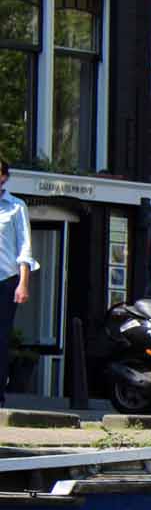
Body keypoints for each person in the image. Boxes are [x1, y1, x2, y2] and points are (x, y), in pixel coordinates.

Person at [0, 159, 36, 408]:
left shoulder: (15, 207)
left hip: (5, 279)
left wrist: (23, 284)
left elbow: (24, 247)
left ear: (3, 177)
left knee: (0, 337)